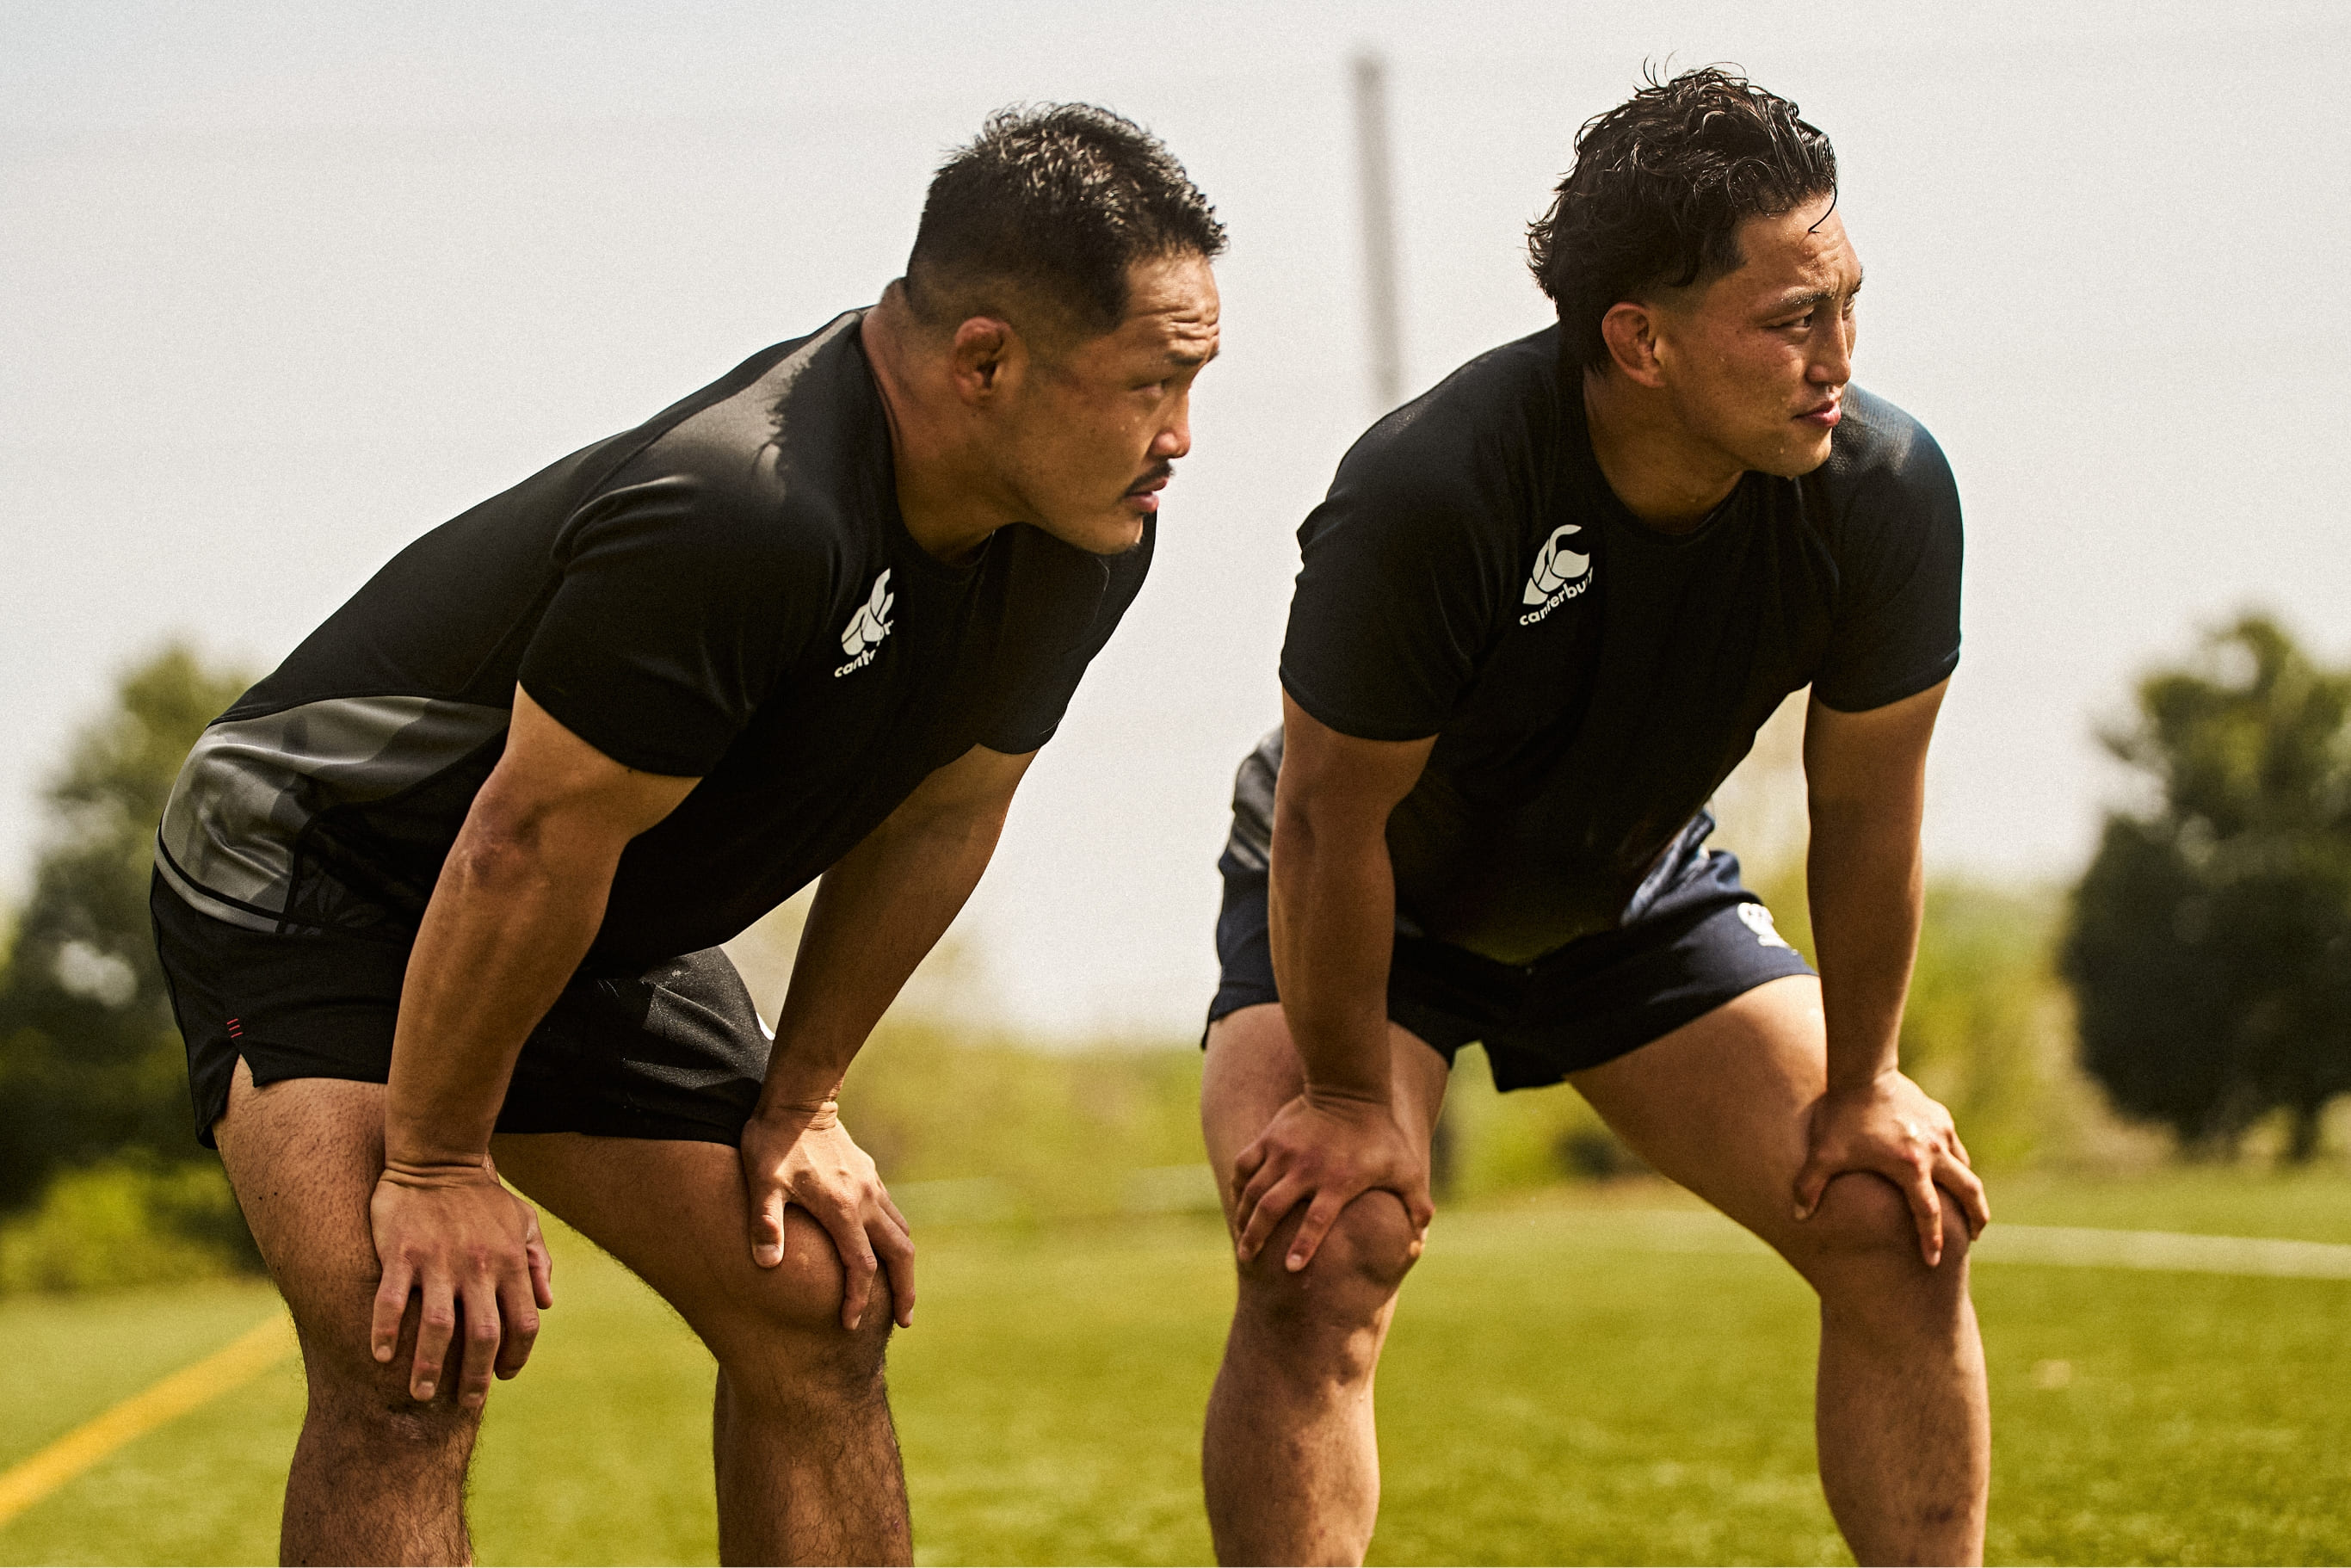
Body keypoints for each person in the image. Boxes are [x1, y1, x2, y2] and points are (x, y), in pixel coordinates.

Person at [150, 103, 1222, 1565]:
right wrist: (437, 1158)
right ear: (986, 359)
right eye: (1154, 384)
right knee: (412, 1350)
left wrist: (806, 1095)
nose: (1180, 439)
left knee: (811, 1297)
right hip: (321, 872)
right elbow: (517, 846)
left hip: (573, 903)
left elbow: (942, 816)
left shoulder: (1085, 528)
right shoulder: (749, 509)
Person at [1198, 68, 1989, 1566]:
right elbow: (1323, 828)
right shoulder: (1435, 489)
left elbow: (1870, 811)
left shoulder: (1881, 488)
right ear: (1639, 337)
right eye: (1790, 318)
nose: (1839, 358)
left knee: (1895, 1211)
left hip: (1625, 888)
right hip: (1376, 900)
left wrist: (1869, 1077)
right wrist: (1356, 1105)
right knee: (1323, 1246)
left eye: (1847, 304)